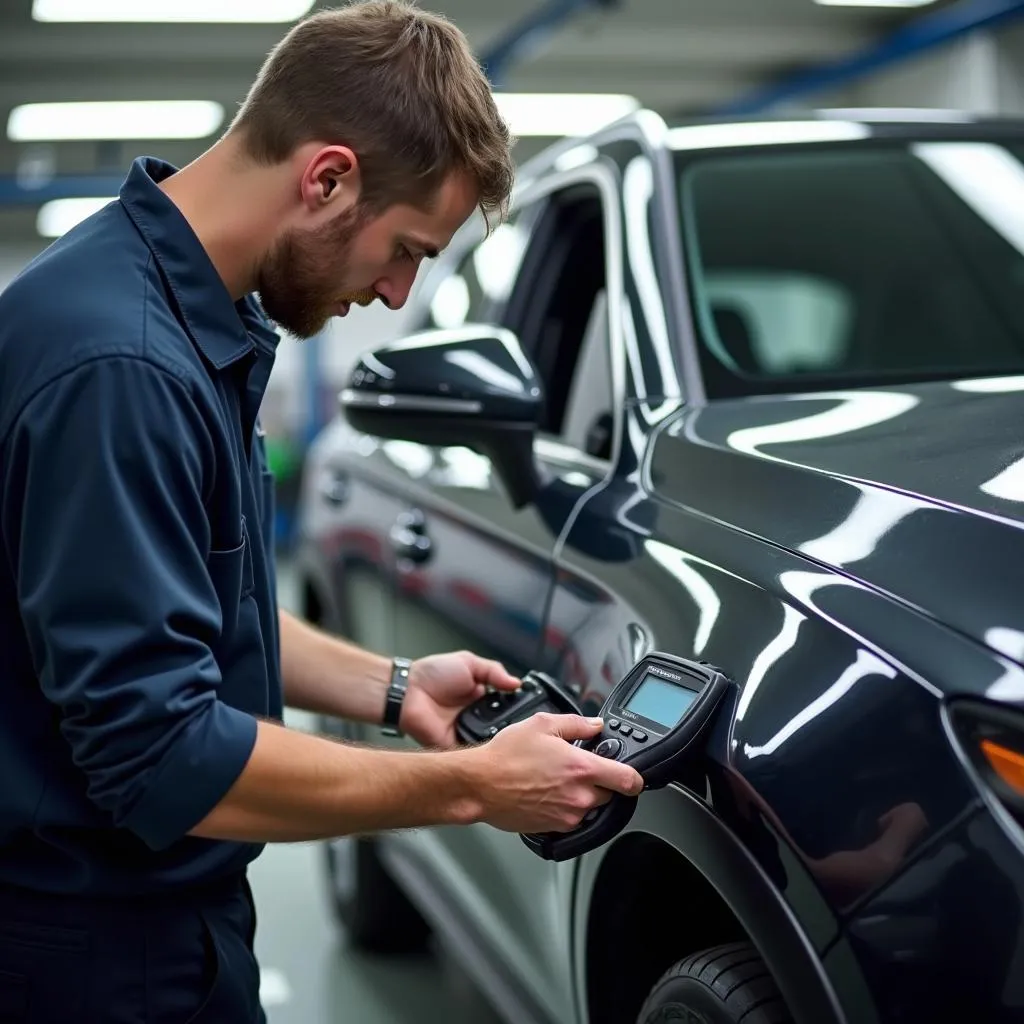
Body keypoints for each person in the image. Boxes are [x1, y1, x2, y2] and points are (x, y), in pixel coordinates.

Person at [0, 2, 644, 1021]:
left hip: (153, 918)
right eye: (406, 249)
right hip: (92, 955)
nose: (396, 294)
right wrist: (471, 782)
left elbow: (205, 600)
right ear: (328, 178)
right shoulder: (122, 368)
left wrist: (394, 688)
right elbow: (159, 759)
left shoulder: (179, 315)